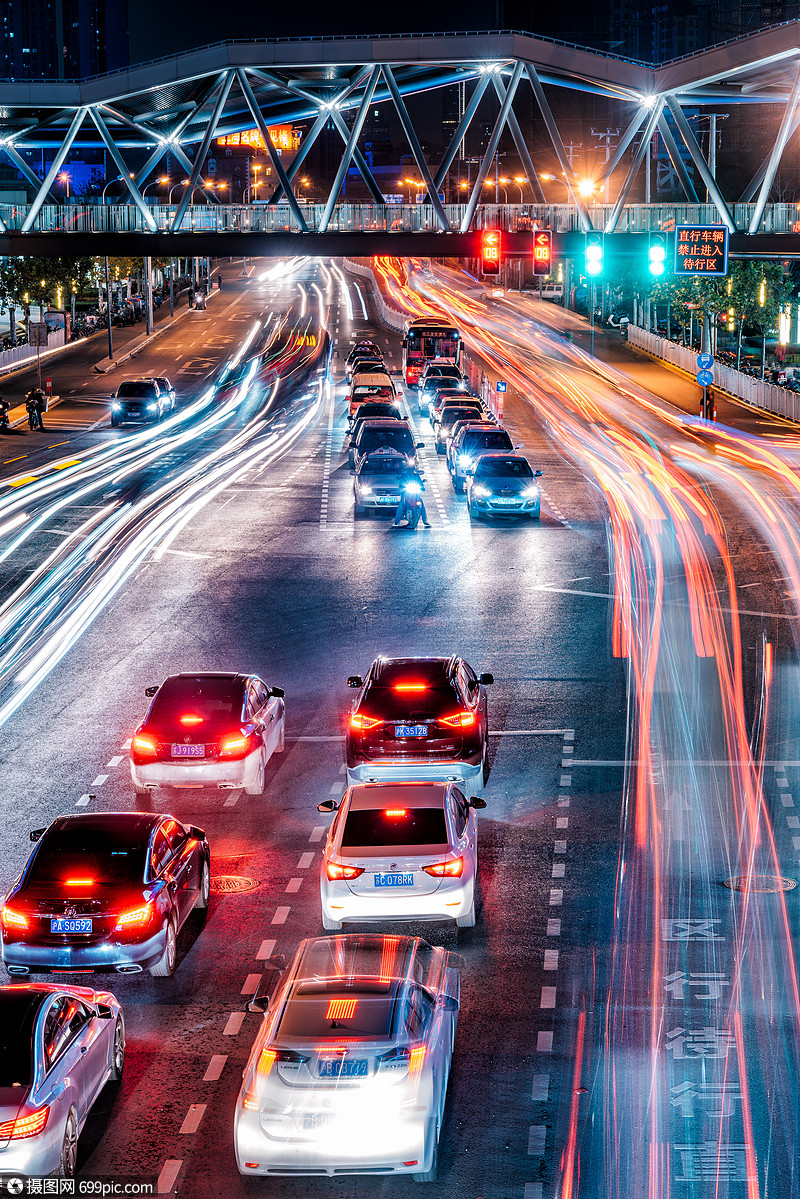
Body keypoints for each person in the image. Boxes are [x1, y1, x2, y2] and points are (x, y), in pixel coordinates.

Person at [392, 463, 430, 528]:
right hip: (406, 492)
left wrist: (422, 487)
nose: (410, 470)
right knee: (401, 504)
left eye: (411, 469)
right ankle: (396, 522)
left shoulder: (416, 476)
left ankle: (425, 521)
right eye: (409, 469)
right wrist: (402, 488)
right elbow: (401, 484)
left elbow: (420, 483)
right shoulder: (404, 476)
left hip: (415, 492)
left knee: (422, 504)